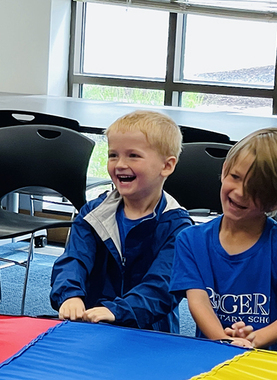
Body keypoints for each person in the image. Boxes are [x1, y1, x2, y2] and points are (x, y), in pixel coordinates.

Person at [50, 110, 191, 332]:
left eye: (133, 155)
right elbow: (73, 260)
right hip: (91, 323)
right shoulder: (93, 213)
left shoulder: (178, 227)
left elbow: (162, 287)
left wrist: (118, 311)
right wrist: (70, 295)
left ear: (167, 166)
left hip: (149, 334)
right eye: (113, 155)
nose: (119, 164)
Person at [171, 128, 277, 356]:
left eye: (256, 189)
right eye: (235, 177)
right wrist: (225, 342)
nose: (240, 192)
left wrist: (253, 340)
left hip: (275, 366)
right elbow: (199, 302)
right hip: (216, 360)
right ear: (224, 170)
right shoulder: (190, 240)